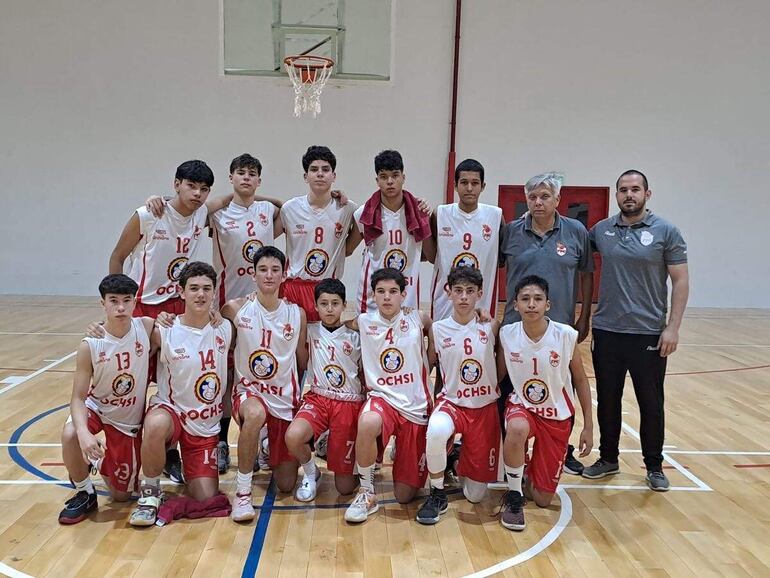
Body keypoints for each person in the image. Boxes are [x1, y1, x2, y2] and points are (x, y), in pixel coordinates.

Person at [582, 170, 689, 491]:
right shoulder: (601, 231)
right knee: (609, 399)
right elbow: (573, 253)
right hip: (607, 331)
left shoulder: (666, 231)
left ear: (647, 193)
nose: (629, 195)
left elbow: (680, 280)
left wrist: (673, 328)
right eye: (623, 190)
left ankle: (654, 465)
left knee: (651, 402)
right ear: (616, 195)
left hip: (649, 333)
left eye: (635, 189)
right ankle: (608, 458)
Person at [498, 172, 594, 475]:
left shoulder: (576, 231)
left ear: (557, 200)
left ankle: (562, 450)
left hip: (559, 329)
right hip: (516, 329)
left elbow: (587, 274)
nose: (538, 202)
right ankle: (512, 451)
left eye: (544, 196)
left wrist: (584, 315)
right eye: (532, 197)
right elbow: (490, 267)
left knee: (560, 390)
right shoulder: (511, 232)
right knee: (510, 390)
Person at [129, 262, 232, 526]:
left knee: (205, 497)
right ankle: (150, 493)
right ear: (181, 292)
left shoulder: (225, 328)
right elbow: (126, 333)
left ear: (214, 292)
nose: (200, 294)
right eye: (194, 288)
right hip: (173, 412)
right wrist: (97, 329)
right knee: (154, 424)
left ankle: (183, 464)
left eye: (207, 289)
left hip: (205, 426)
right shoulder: (164, 331)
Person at [496, 275, 593, 531]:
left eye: (537, 299)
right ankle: (514, 494)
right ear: (515, 304)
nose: (531, 304)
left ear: (547, 305)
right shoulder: (507, 334)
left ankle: (527, 473)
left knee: (541, 499)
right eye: (525, 299)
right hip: (523, 408)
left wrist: (588, 426)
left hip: (556, 415)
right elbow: (497, 377)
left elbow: (581, 381)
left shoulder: (565, 336)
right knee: (516, 428)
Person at [58, 274, 155, 524]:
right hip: (97, 407)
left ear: (135, 301)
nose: (120, 307)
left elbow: (182, 324)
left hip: (127, 421)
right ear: (103, 303)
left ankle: (100, 462)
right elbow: (78, 398)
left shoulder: (146, 327)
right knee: (71, 434)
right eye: (113, 301)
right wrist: (84, 433)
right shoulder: (90, 344)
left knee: (121, 496)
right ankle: (84, 491)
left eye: (126, 300)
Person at [221, 246, 308, 522]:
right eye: (263, 270)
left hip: (284, 397)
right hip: (250, 392)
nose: (269, 275)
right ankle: (243, 493)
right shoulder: (235, 309)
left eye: (275, 270)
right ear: (253, 274)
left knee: (285, 484)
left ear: (284, 275)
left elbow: (303, 361)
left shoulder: (297, 314)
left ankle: (267, 443)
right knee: (255, 414)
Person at [344, 268, 434, 523]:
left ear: (404, 295)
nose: (387, 297)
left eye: (393, 291)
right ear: (373, 295)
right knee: (368, 421)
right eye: (381, 292)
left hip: (416, 405)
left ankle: (401, 450)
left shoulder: (418, 318)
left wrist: (427, 366)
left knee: (405, 495)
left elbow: (436, 332)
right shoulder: (363, 321)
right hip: (383, 398)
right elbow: (333, 324)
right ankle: (366, 492)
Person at [416, 267, 501, 525]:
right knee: (436, 430)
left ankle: (456, 458)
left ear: (480, 295)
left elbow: (504, 365)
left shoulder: (492, 326)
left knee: (475, 496)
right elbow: (426, 366)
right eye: (458, 291)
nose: (464, 297)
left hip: (484, 406)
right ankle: (437, 492)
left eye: (470, 291)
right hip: (452, 402)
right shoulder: (439, 329)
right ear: (448, 293)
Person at [284, 278, 364, 502]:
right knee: (293, 436)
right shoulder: (308, 330)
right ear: (315, 306)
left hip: (348, 403)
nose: (329, 309)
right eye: (324, 303)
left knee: (345, 487)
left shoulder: (356, 335)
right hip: (318, 398)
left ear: (344, 305)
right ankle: (311, 473)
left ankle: (360, 467)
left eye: (335, 303)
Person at [347, 150, 433, 313]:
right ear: (377, 180)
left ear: (403, 177)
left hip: (406, 295)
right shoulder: (363, 213)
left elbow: (431, 256)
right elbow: (347, 249)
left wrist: (426, 221)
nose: (390, 181)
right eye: (384, 177)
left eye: (395, 175)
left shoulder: (419, 212)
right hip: (373, 296)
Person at [279, 146, 357, 322]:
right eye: (314, 170)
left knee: (323, 346)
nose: (320, 174)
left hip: (328, 289)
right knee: (292, 346)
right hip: (294, 287)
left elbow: (350, 247)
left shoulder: (348, 208)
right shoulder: (289, 209)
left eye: (326, 169)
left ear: (334, 176)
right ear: (305, 177)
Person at [424, 159, 503, 320]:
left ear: (483, 186)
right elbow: (433, 257)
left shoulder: (496, 216)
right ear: (455, 185)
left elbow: (502, 258)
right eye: (464, 182)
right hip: (445, 298)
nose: (469, 188)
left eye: (475, 183)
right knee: (443, 342)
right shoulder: (439, 213)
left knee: (480, 343)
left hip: (481, 298)